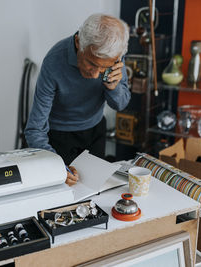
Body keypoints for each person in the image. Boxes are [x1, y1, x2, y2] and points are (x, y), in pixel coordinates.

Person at [25, 14, 131, 186]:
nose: (96, 74)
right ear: (78, 42)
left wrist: (113, 87)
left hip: (95, 131)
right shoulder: (54, 62)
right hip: (59, 137)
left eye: (103, 68)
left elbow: (120, 104)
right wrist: (56, 166)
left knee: (94, 194)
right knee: (64, 197)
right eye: (91, 63)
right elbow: (34, 129)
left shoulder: (113, 57)